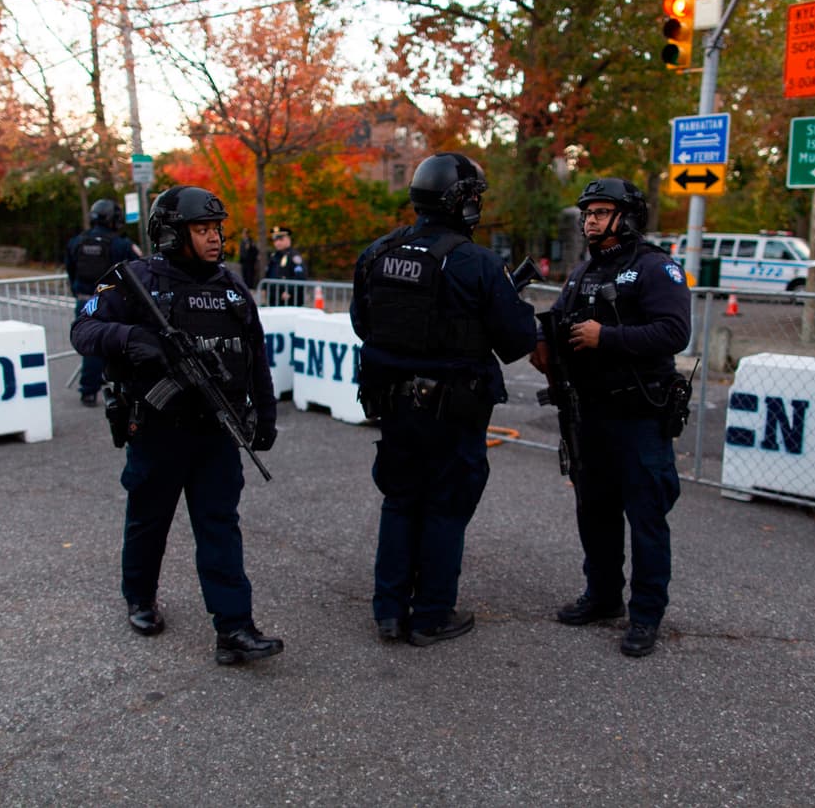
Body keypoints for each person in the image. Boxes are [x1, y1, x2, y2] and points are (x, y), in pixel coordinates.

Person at [70, 185, 283, 666]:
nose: (214, 238)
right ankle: (139, 598)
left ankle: (234, 628)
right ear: (170, 234)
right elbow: (83, 329)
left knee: (220, 528)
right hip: (158, 430)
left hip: (217, 433)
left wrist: (265, 415)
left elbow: (255, 355)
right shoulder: (136, 280)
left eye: (216, 229)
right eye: (201, 229)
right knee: (149, 521)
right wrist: (130, 337)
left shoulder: (231, 288)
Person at [351, 152, 536, 646]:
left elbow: (363, 324)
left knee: (399, 501)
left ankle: (389, 612)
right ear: (461, 203)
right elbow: (517, 341)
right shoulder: (479, 263)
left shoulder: (377, 252)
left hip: (393, 405)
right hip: (453, 410)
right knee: (445, 507)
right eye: (474, 197)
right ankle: (431, 615)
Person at [531, 178, 691, 658]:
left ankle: (646, 615)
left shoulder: (656, 268)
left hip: (639, 416)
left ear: (628, 217)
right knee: (595, 513)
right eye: (588, 213)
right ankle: (602, 596)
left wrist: (608, 338)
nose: (591, 221)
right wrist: (541, 342)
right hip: (590, 415)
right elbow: (560, 320)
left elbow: (674, 332)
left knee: (646, 519)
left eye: (601, 212)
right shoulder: (584, 271)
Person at [65, 198, 140, 406]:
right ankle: (105, 389)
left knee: (91, 344)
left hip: (84, 300)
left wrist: (77, 291)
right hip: (112, 303)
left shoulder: (77, 241)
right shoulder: (121, 244)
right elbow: (136, 272)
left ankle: (90, 388)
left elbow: (70, 269)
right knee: (118, 344)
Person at [264, 226, 307, 306]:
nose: (277, 243)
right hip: (274, 300)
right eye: (275, 240)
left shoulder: (293, 256)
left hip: (289, 301)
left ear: (288, 239)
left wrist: (289, 291)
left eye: (281, 239)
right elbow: (268, 274)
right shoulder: (274, 256)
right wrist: (264, 288)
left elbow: (301, 276)